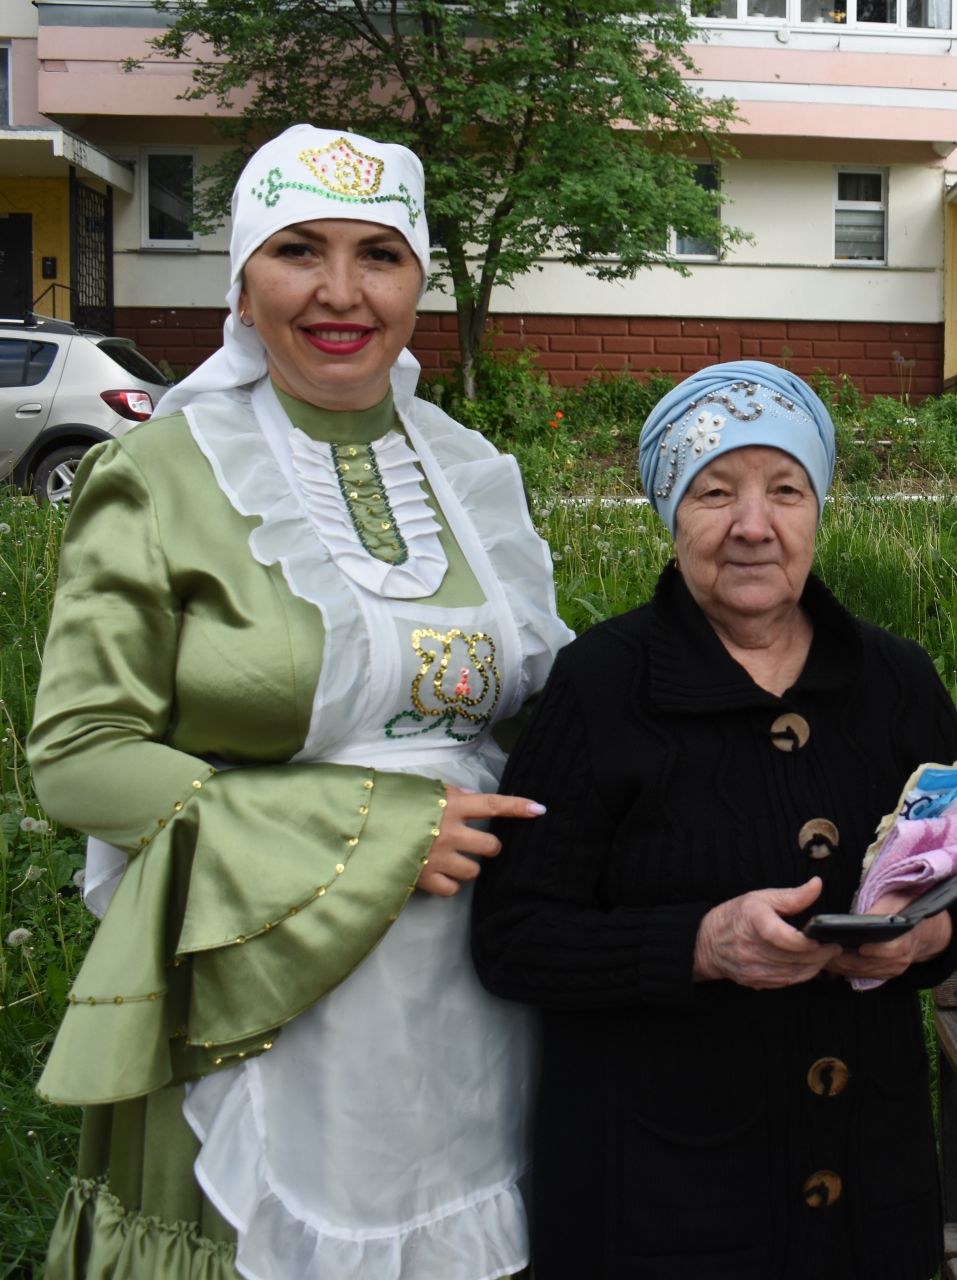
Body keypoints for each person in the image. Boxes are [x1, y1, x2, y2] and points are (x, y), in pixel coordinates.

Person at [28, 125, 571, 1279]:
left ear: (418, 281)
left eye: (379, 254)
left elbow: (541, 717)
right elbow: (80, 752)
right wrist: (368, 831)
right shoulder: (163, 474)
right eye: (297, 250)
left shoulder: (472, 475)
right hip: (252, 983)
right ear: (242, 282)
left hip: (470, 996)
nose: (340, 291)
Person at [469, 359, 957, 1279]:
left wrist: (924, 939)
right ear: (671, 513)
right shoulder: (602, 685)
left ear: (819, 510)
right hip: (663, 1201)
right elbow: (514, 936)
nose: (753, 526)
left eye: (786, 490)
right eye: (715, 491)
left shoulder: (894, 679)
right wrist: (701, 944)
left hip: (866, 1188)